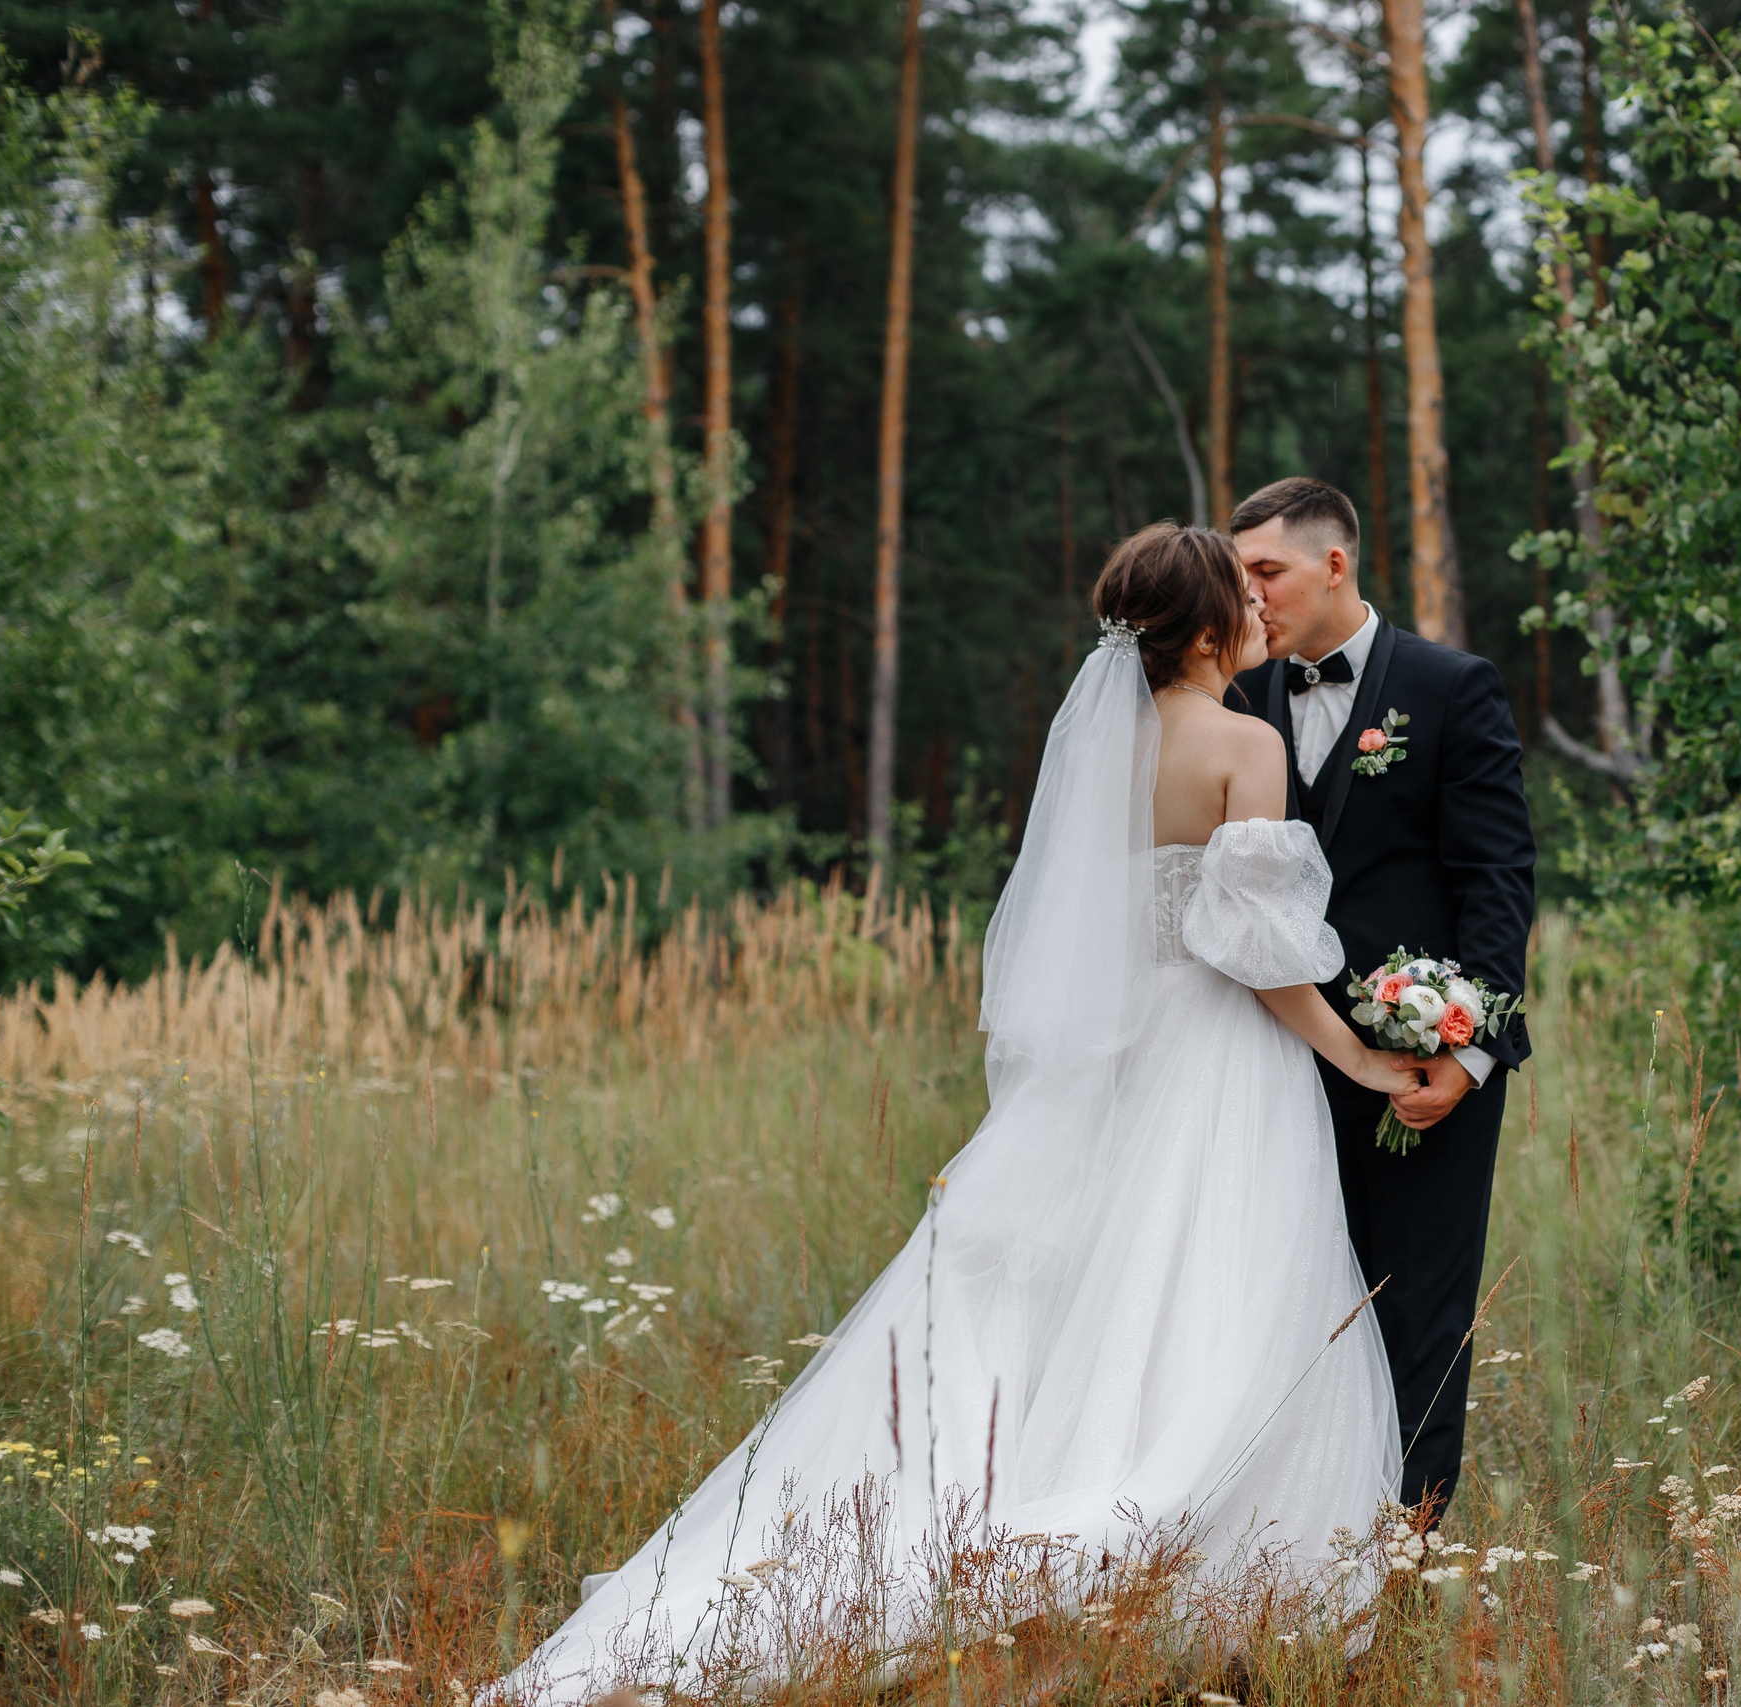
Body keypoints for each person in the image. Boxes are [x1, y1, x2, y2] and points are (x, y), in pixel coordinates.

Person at [482, 524, 1414, 1705]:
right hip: (1218, 1062)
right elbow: (1259, 951)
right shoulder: (1242, 743)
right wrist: (1358, 1058)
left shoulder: (1101, 752)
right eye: (1244, 595)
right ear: (1208, 626)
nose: (1259, 616)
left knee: (1073, 1301)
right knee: (1219, 1293)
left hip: (1112, 1070)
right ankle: (1185, 1574)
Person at [1226, 477, 1536, 1521]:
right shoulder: (1234, 697)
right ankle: (1292, 1549)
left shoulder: (1452, 686)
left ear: (1333, 564)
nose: (1251, 597)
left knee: (1421, 1313)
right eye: (1239, 578)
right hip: (1265, 1058)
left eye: (1265, 572)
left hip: (1423, 1062)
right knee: (1282, 1305)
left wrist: (1469, 1049)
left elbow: (1497, 877)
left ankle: (1404, 1550)